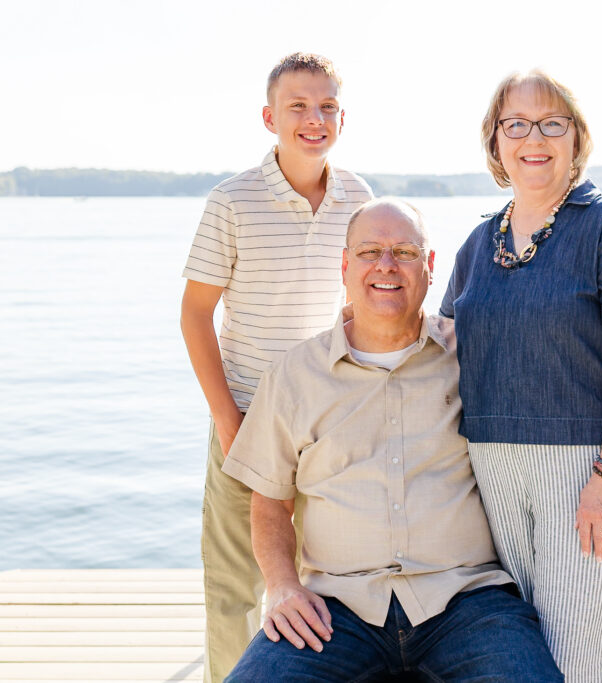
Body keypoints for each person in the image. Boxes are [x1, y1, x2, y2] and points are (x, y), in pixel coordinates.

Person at [220, 198, 563, 682]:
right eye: (369, 252)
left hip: (466, 601)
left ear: (429, 267)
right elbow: (270, 503)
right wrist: (281, 587)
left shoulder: (473, 353)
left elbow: (559, 391)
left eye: (404, 251)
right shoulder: (294, 375)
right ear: (344, 266)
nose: (386, 265)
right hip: (334, 610)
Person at [440, 70, 602, 682]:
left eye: (552, 123)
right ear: (495, 142)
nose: (533, 138)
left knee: (587, 652)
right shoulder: (476, 244)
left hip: (586, 466)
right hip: (490, 467)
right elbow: (441, 350)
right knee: (520, 649)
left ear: (576, 139)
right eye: (515, 124)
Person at [180, 52, 372, 681]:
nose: (313, 119)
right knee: (238, 583)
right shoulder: (231, 201)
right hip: (246, 413)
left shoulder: (360, 199)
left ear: (343, 118)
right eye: (298, 106)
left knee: (324, 573)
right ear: (270, 117)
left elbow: (358, 312)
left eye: (326, 107)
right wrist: (227, 418)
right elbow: (195, 316)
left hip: (328, 417)